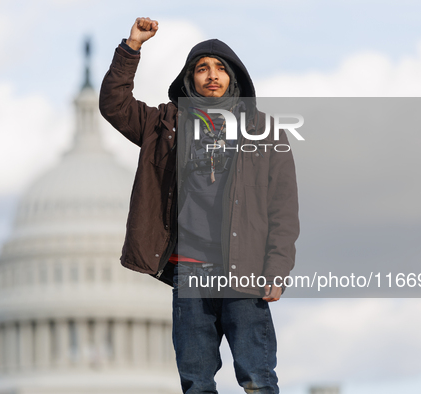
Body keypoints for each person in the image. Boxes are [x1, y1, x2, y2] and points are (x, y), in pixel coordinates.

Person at [99, 17, 299, 394]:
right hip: (188, 274)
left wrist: (277, 269)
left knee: (258, 378)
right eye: (202, 68)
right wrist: (132, 47)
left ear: (234, 77)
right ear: (189, 79)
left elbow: (283, 210)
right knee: (196, 384)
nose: (212, 75)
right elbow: (114, 104)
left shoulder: (268, 133)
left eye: (220, 69)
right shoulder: (163, 125)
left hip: (243, 274)